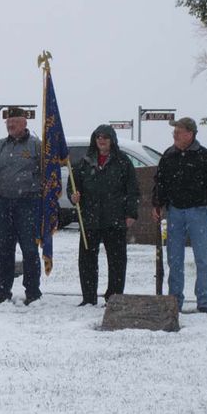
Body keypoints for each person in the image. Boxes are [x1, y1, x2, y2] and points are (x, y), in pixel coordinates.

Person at [152, 117, 207, 313]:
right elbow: (160, 182)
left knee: (202, 259)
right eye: (174, 132)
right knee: (174, 259)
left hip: (198, 212)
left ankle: (204, 301)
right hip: (174, 213)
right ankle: (175, 300)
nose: (174, 135)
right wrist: (157, 203)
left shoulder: (205, 156)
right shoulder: (168, 156)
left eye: (178, 131)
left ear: (190, 134)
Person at [67, 124, 140, 306]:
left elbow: (133, 190)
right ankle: (89, 297)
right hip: (89, 220)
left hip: (115, 219)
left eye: (105, 137)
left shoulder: (123, 162)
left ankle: (114, 297)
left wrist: (131, 213)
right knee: (87, 260)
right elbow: (73, 186)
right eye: (98, 137)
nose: (101, 140)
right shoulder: (84, 162)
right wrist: (73, 196)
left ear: (112, 140)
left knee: (117, 261)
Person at [0, 107, 42, 306]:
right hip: (3, 203)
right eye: (8, 122)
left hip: (28, 203)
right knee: (3, 249)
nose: (11, 125)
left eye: (15, 122)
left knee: (29, 249)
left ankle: (33, 292)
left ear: (24, 123)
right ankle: (2, 291)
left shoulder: (36, 146)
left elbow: (48, 173)